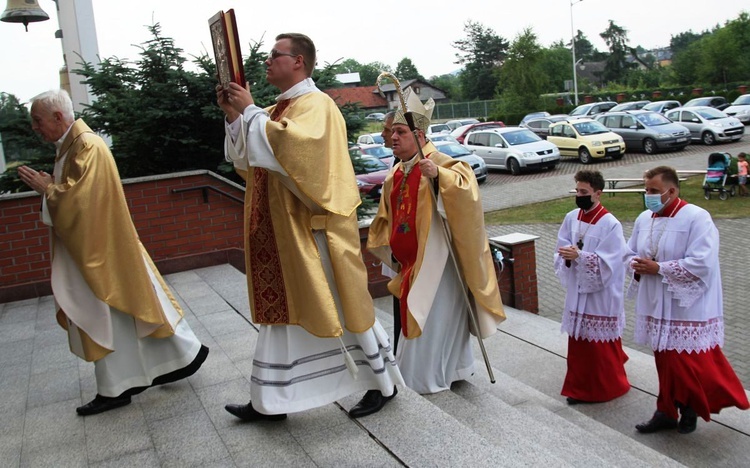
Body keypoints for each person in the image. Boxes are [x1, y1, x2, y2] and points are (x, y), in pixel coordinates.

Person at [217, 33, 403, 421]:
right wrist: (236, 118)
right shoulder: (277, 107)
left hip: (314, 232)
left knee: (341, 304)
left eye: (275, 56)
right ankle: (271, 399)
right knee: (280, 315)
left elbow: (298, 153)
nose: (267, 62)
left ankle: (380, 384)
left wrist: (250, 114)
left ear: (298, 61)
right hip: (280, 231)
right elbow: (249, 160)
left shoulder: (315, 105)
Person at [17, 89, 209, 416]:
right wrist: (52, 189)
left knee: (105, 316)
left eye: (38, 121)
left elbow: (81, 204)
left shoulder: (87, 147)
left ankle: (115, 387)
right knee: (128, 314)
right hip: (96, 247)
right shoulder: (71, 146)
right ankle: (181, 356)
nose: (36, 128)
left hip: (99, 254)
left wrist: (48, 189)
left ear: (59, 118)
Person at [367, 90, 506, 394]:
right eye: (392, 133)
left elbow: (467, 194)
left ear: (418, 135)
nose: (392, 139)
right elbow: (387, 217)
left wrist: (439, 178)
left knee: (431, 316)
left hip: (439, 262)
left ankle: (422, 377)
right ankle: (449, 368)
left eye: (400, 133)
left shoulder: (441, 162)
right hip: (410, 262)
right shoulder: (395, 171)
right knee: (424, 315)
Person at [627, 166, 749, 434]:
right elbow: (630, 251)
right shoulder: (644, 218)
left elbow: (702, 262)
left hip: (685, 305)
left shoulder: (697, 217)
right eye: (646, 190)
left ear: (671, 191)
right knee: (664, 360)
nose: (648, 196)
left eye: (654, 191)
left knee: (684, 362)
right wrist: (634, 263)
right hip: (656, 302)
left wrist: (659, 268)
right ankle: (666, 410)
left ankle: (689, 406)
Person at [554, 170, 630, 405]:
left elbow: (612, 262)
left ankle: (606, 386)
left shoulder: (610, 224)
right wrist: (566, 256)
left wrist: (581, 256)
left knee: (598, 344)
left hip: (601, 292)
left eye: (584, 192)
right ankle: (578, 386)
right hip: (578, 288)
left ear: (598, 193)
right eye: (577, 190)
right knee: (579, 342)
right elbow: (561, 244)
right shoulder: (571, 217)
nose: (579, 195)